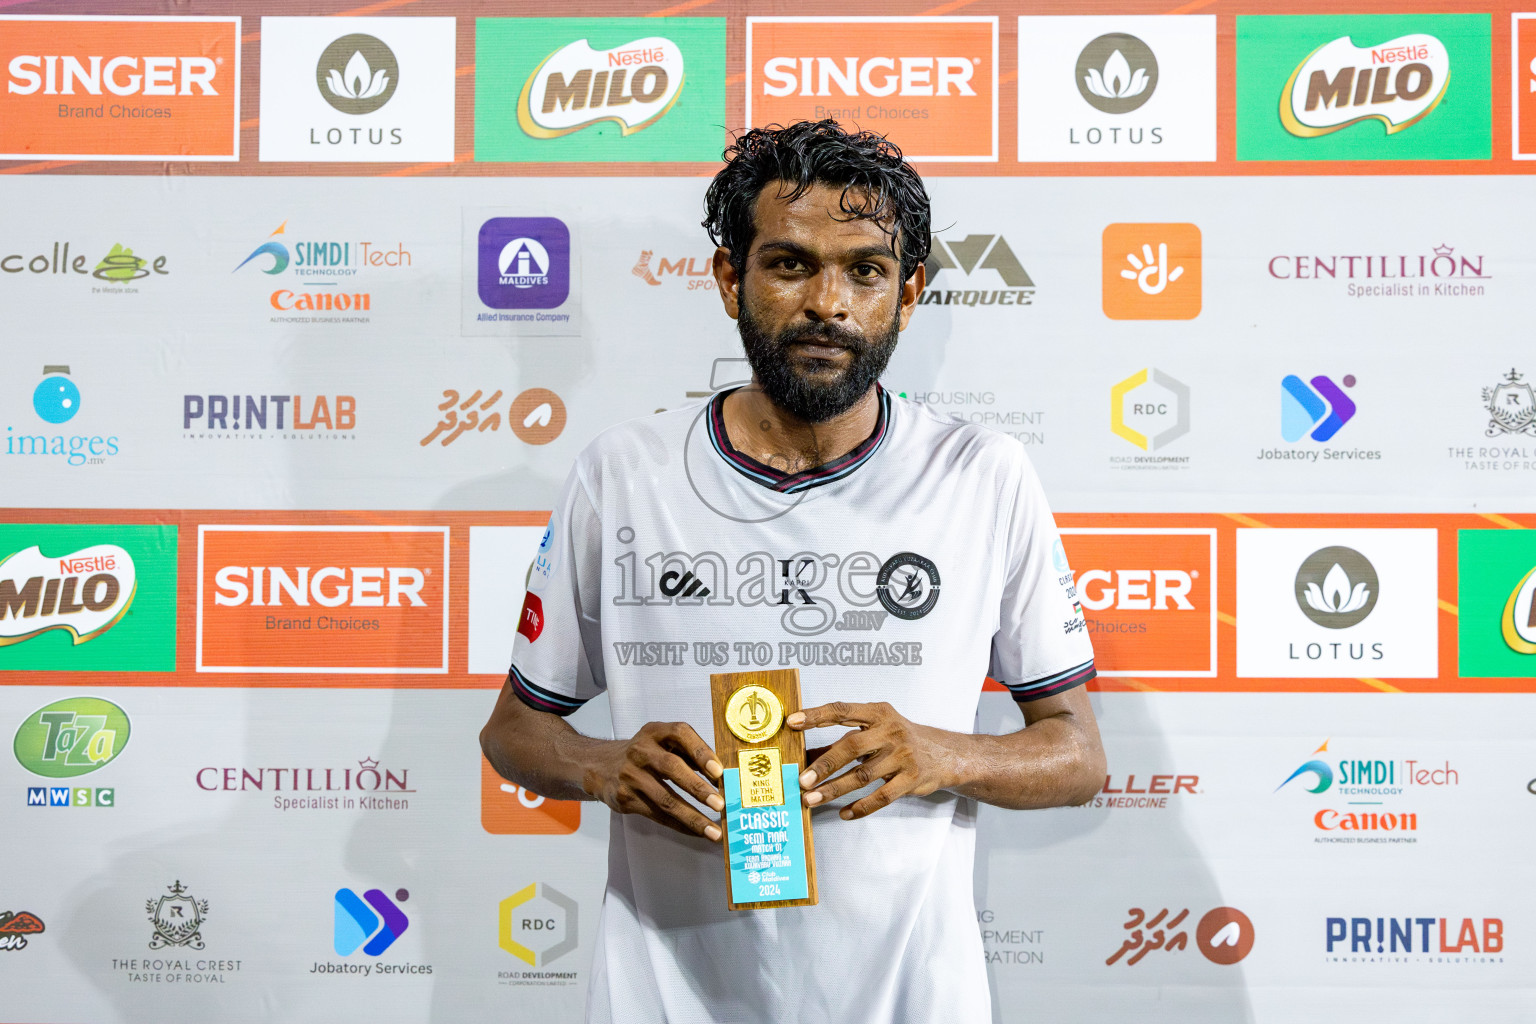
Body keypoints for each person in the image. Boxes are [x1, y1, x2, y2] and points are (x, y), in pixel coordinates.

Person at [480, 119, 1105, 1024]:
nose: (829, 303)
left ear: (910, 292)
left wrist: (939, 753)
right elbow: (513, 733)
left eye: (865, 269)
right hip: (664, 994)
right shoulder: (624, 474)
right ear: (731, 279)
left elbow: (1078, 754)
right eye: (789, 264)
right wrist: (601, 764)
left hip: (910, 999)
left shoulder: (982, 474)